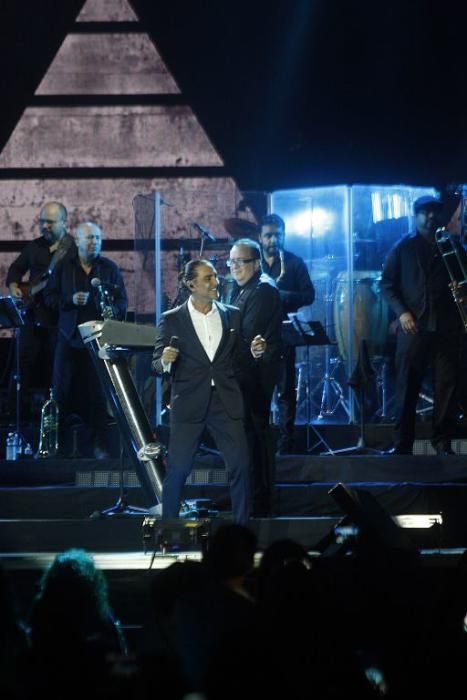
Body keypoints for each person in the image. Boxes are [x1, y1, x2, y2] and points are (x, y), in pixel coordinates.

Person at [151, 258, 266, 524]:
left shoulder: (231, 314)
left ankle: (242, 532)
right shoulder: (172, 320)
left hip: (225, 400)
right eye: (208, 278)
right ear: (191, 284)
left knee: (240, 466)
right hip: (189, 402)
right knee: (178, 470)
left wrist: (253, 351)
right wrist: (166, 359)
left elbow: (240, 358)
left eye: (215, 276)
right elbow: (156, 365)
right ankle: (170, 533)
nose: (216, 282)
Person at [381, 195, 464, 455]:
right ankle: (402, 444)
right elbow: (386, 285)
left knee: (446, 388)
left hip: (447, 328)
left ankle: (442, 443)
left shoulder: (452, 245)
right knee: (407, 387)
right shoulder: (402, 248)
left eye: (434, 212)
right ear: (415, 215)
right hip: (414, 327)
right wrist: (402, 313)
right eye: (424, 212)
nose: (430, 217)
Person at [44, 221, 127, 459]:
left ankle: (99, 448)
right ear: (78, 241)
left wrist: (111, 309)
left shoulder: (109, 268)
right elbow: (49, 297)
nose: (94, 242)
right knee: (60, 393)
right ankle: (56, 448)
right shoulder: (63, 267)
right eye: (90, 238)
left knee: (99, 396)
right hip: (68, 339)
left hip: (98, 340)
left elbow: (123, 302)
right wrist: (69, 299)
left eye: (98, 238)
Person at [5, 201, 76, 420]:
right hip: (33, 318)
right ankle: (17, 415)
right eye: (42, 221)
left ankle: (56, 417)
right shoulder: (33, 247)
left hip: (58, 322)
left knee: (56, 374)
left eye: (50, 222)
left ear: (64, 222)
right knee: (22, 369)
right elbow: (15, 269)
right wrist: (14, 286)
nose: (45, 226)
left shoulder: (72, 249)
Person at [227, 238, 282, 516]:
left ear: (256, 263)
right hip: (245, 374)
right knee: (250, 438)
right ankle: (252, 499)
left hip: (253, 377)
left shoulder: (261, 291)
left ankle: (258, 503)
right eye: (231, 262)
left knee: (255, 439)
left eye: (241, 261)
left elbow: (246, 336)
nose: (234, 267)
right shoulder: (243, 288)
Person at [258, 214, 315, 454]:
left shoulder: (294, 263)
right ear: (260, 238)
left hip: (283, 334)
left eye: (278, 234)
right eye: (269, 235)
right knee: (258, 390)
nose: (273, 239)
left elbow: (309, 295)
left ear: (284, 234)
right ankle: (258, 442)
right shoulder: (252, 262)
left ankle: (285, 443)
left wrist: (284, 296)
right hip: (256, 335)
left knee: (284, 390)